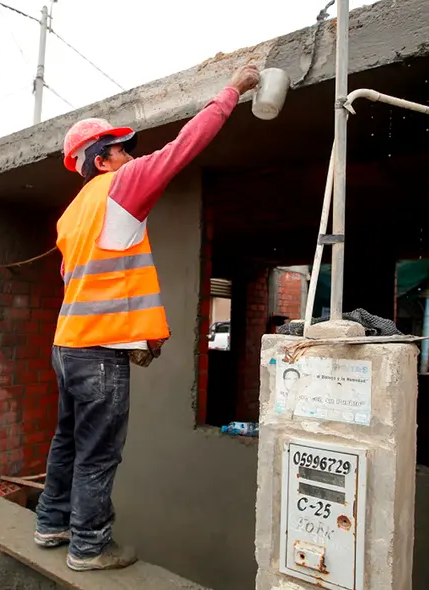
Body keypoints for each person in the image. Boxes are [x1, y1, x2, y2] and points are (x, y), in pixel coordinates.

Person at [34, 62, 261, 571]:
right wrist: (233, 90)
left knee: (67, 439)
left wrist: (139, 328)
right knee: (99, 451)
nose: (131, 154)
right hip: (97, 353)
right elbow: (184, 146)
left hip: (67, 347)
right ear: (99, 161)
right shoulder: (123, 185)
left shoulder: (71, 213)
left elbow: (85, 281)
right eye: (120, 148)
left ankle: (51, 522)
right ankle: (89, 546)